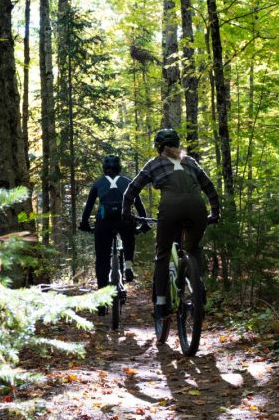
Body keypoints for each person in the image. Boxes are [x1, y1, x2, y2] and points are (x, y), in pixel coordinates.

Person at [122, 128, 220, 319]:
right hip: (197, 208)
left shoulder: (155, 163)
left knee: (163, 253)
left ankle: (160, 303)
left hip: (171, 208)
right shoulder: (190, 162)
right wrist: (214, 213)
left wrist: (126, 212)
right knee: (193, 248)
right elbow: (210, 188)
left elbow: (131, 190)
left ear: (159, 147)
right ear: (177, 145)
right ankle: (198, 286)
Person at [79, 156, 147, 303]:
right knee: (129, 236)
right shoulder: (128, 181)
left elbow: (88, 207)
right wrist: (144, 223)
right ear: (119, 168)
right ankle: (128, 265)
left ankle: (102, 299)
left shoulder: (98, 183)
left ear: (104, 168)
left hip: (104, 222)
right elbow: (139, 205)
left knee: (102, 259)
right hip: (125, 220)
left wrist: (84, 224)